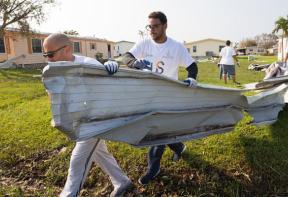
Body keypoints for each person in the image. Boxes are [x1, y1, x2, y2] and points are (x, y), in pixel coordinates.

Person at [42, 33, 132, 197]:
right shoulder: (51, 70)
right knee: (100, 153)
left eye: (50, 54)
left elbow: (110, 93)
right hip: (78, 121)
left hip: (96, 120)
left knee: (77, 161)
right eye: (45, 55)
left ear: (67, 49)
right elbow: (54, 99)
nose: (48, 59)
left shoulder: (89, 64)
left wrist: (110, 70)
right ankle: (122, 181)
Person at [120, 11, 198, 185]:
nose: (152, 30)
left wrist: (192, 78)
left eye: (155, 26)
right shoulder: (144, 43)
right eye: (149, 26)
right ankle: (179, 147)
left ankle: (153, 168)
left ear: (165, 26)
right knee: (160, 129)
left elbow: (192, 66)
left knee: (156, 131)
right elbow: (126, 56)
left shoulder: (176, 47)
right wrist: (134, 63)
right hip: (148, 94)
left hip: (168, 95)